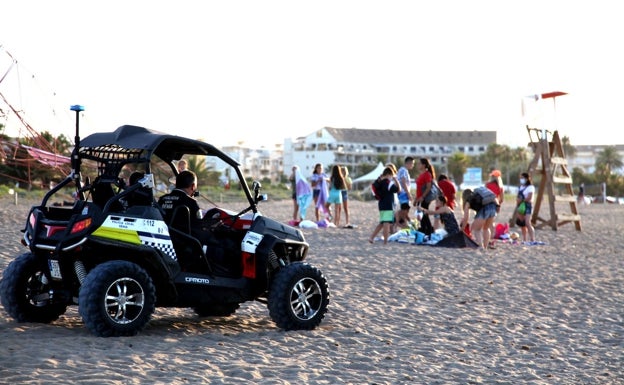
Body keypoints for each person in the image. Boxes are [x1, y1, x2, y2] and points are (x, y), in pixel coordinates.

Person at [158, 170, 204, 236]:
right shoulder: (191, 203)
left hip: (163, 238)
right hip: (183, 242)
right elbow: (199, 227)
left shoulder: (162, 199)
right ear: (193, 186)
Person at [368, 167, 399, 245]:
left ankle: (371, 237)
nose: (392, 177)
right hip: (388, 205)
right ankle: (385, 241)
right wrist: (396, 180)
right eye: (392, 175)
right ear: (389, 174)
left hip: (381, 204)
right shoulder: (389, 183)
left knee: (382, 223)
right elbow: (398, 190)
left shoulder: (379, 182)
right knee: (386, 223)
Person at [413, 158, 437, 235]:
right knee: (421, 215)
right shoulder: (422, 174)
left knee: (424, 215)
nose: (418, 165)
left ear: (423, 165)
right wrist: (416, 199)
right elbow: (419, 188)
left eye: (419, 163)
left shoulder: (427, 174)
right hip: (420, 197)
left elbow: (429, 187)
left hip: (424, 198)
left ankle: (429, 231)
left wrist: (422, 197)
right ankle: (425, 230)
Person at [485, 169, 504, 245]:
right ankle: (491, 238)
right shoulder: (500, 187)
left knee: (486, 224)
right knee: (492, 222)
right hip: (495, 205)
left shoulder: (487, 185)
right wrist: (498, 204)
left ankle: (487, 239)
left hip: (486, 204)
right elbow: (502, 199)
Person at [516, 172, 536, 243]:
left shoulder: (531, 187)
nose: (521, 179)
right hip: (520, 206)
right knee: (522, 223)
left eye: (522, 178)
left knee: (528, 222)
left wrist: (522, 200)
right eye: (520, 178)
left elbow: (530, 197)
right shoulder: (521, 187)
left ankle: (532, 238)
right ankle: (524, 239)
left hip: (527, 206)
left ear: (527, 178)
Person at [396, 157, 414, 229]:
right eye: (412, 164)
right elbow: (403, 182)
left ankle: (404, 225)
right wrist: (408, 193)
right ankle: (400, 224)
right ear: (408, 163)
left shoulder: (402, 170)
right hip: (403, 194)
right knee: (404, 211)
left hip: (403, 193)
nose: (412, 165)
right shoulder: (404, 170)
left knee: (405, 210)